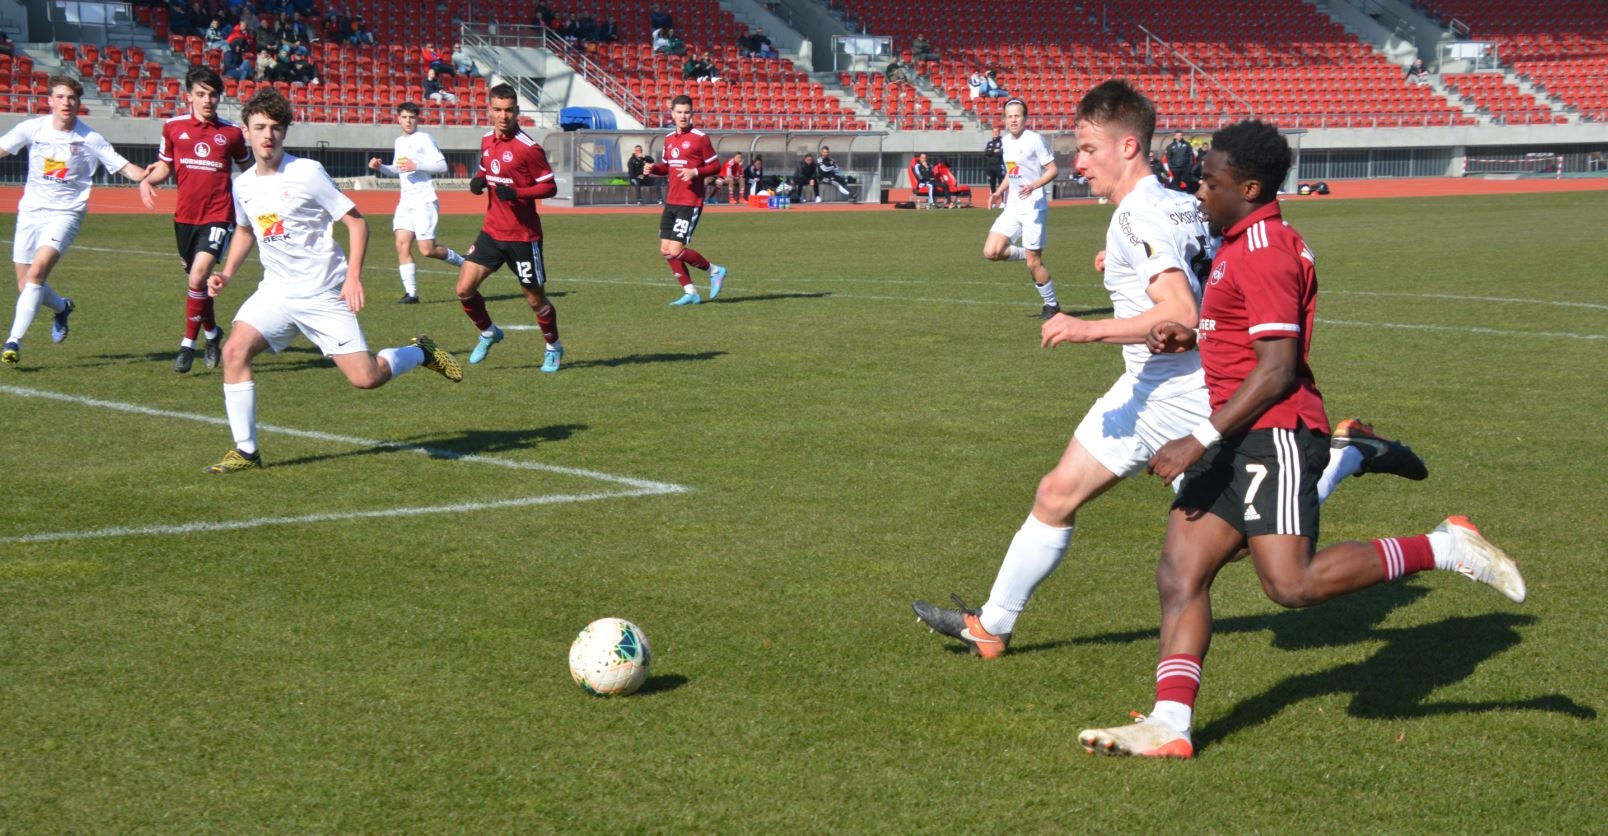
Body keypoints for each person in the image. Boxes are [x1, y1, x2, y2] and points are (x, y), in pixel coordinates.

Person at [912, 80, 1427, 665]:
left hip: (1189, 394)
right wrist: (1123, 268)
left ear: (1128, 147)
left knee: (1239, 547)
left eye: (1087, 149)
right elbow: (1199, 268)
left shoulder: (1137, 219)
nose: (1077, 164)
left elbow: (1184, 312)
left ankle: (1344, 457)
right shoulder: (1181, 201)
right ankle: (993, 626)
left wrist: (1086, 327)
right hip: (1142, 387)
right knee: (1056, 492)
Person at [1076, 118, 1523, 759]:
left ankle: (1445, 546)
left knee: (1291, 585)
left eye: (1212, 180)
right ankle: (1170, 723)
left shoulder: (1264, 251)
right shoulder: (1240, 239)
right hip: (1237, 431)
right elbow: (1239, 336)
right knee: (1181, 571)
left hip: (1274, 433)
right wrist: (1190, 336)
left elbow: (1279, 367)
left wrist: (1197, 439)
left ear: (1250, 186)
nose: (1200, 189)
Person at [200, 88, 462, 473]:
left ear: (285, 131)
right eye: (259, 127)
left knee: (366, 378)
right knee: (234, 353)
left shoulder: (306, 173)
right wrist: (226, 272)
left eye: (275, 127)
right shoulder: (243, 185)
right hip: (275, 291)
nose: (267, 135)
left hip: (323, 293)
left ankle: (420, 352)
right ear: (246, 131)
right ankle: (245, 450)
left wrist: (352, 277)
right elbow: (245, 231)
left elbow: (356, 222)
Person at [1, 76, 147, 368]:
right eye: (61, 96)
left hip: (66, 213)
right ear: (50, 101)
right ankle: (62, 307)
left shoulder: (89, 138)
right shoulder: (32, 128)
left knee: (37, 273)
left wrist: (152, 174)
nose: (66, 102)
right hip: (31, 212)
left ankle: (13, 342)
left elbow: (124, 167)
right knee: (25, 284)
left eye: (72, 98)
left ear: (79, 103)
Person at [138, 67, 251, 374]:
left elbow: (249, 171)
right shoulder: (173, 128)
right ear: (189, 96)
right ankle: (213, 334)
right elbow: (165, 168)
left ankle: (188, 346)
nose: (207, 100)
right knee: (198, 284)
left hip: (218, 215)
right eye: (201, 94)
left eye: (213, 94)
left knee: (197, 276)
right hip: (185, 218)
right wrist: (149, 181)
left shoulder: (230, 133)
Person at [455, 83, 565, 373]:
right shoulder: (486, 140)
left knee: (534, 299)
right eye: (498, 110)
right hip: (492, 232)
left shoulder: (529, 148)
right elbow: (486, 168)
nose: (504, 116)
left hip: (523, 238)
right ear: (490, 110)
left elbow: (550, 186)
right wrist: (478, 180)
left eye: (509, 110)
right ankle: (489, 332)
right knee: (464, 289)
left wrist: (518, 193)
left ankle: (553, 347)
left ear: (517, 111)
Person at [367, 102, 466, 304]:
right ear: (398, 119)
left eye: (412, 117)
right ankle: (411, 294)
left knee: (427, 250)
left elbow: (442, 165)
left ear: (417, 119)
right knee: (401, 245)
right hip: (405, 201)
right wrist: (381, 167)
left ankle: (465, 263)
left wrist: (416, 165)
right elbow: (397, 169)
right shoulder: (399, 142)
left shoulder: (424, 139)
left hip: (423, 200)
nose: (408, 121)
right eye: (404, 117)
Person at [982, 99, 1060, 318]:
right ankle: (1028, 252)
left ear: (1025, 118)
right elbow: (1012, 171)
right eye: (1009, 116)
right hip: (1013, 205)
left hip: (1034, 206)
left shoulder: (1035, 140)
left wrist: (1034, 184)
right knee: (991, 251)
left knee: (1034, 263)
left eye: (1017, 116)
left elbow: (1052, 170)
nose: (1013, 120)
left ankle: (1052, 306)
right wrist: (998, 192)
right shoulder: (1006, 142)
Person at [650, 95, 727, 306]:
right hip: (671, 200)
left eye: (687, 112)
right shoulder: (668, 139)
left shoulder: (700, 138)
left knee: (676, 250)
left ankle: (715, 270)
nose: (683, 116)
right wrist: (653, 169)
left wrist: (695, 171)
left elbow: (715, 167)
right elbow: (666, 167)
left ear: (692, 114)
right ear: (672, 114)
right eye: (679, 112)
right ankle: (690, 291)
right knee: (666, 250)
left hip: (690, 201)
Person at [983, 126, 1005, 200]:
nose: (995, 133)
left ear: (999, 133)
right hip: (990, 166)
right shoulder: (989, 143)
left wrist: (991, 152)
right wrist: (994, 151)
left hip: (999, 166)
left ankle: (1003, 202)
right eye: (994, 132)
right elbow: (986, 153)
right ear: (992, 133)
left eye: (997, 132)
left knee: (1001, 184)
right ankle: (993, 202)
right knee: (992, 185)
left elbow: (1000, 153)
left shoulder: (1003, 142)